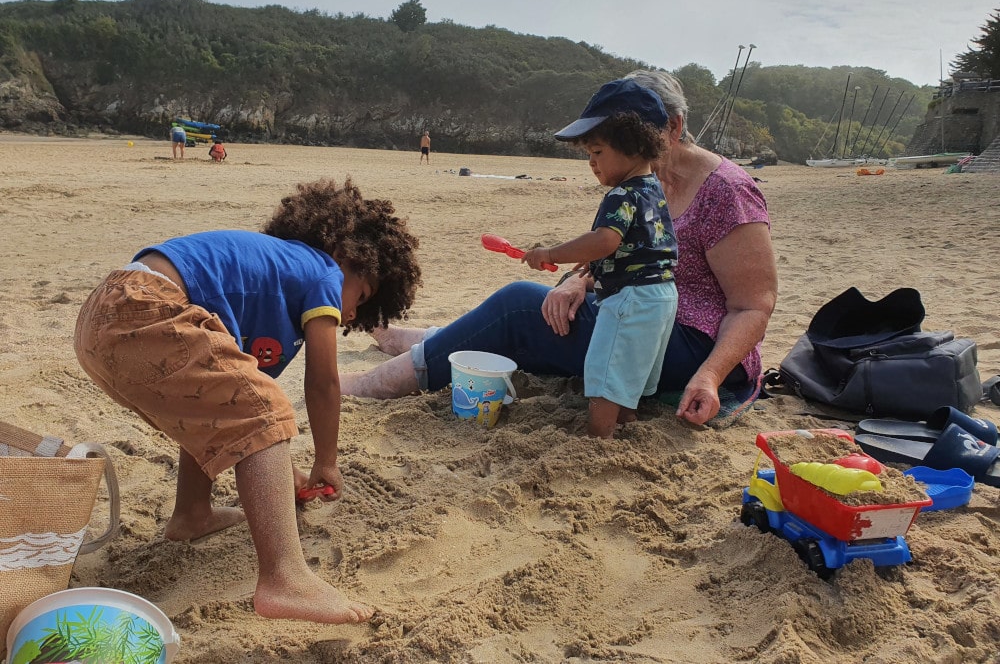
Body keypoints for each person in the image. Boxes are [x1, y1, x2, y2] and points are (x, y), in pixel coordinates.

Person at [344, 69, 777, 428]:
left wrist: (709, 376)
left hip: (688, 340)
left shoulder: (726, 192)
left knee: (516, 308)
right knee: (537, 314)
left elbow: (753, 306)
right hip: (630, 312)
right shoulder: (643, 181)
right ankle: (432, 342)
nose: (597, 160)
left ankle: (380, 380)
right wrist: (577, 280)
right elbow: (625, 250)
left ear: (673, 128)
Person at [73, 178, 421, 624]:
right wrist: (326, 461)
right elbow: (323, 382)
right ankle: (286, 580)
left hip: (101, 318)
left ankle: (192, 515)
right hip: (145, 305)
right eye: (362, 296)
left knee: (216, 404)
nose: (351, 314)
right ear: (347, 258)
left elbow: (230, 415)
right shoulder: (323, 272)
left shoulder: (267, 279)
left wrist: (279, 471)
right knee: (266, 406)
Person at [520, 79, 678, 438]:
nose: (591, 163)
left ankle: (597, 437)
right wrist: (594, 266)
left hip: (631, 297)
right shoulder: (654, 189)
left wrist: (552, 253)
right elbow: (646, 243)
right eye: (589, 155)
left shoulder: (621, 194)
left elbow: (605, 240)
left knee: (606, 370)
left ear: (634, 144)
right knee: (631, 367)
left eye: (598, 153)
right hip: (663, 295)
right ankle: (626, 423)